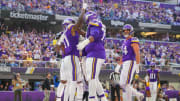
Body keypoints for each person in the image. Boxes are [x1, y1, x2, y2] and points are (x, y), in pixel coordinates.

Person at [56, 3, 87, 101]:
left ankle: (59, 99)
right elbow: (79, 23)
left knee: (67, 82)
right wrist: (83, 11)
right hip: (72, 57)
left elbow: (58, 47)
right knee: (76, 82)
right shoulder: (71, 28)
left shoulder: (63, 33)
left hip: (65, 59)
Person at [77, 11, 108, 101]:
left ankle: (92, 98)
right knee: (93, 78)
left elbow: (94, 35)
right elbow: (89, 35)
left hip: (95, 53)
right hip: (94, 53)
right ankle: (103, 98)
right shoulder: (97, 24)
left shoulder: (94, 23)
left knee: (92, 78)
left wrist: (84, 43)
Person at [115, 24, 144, 101]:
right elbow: (124, 55)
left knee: (127, 83)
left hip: (130, 62)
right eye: (124, 30)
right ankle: (138, 94)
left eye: (127, 30)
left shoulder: (133, 39)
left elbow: (137, 52)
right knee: (122, 84)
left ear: (131, 31)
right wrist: (119, 65)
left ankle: (134, 97)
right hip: (125, 63)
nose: (125, 32)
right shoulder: (125, 41)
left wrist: (137, 64)